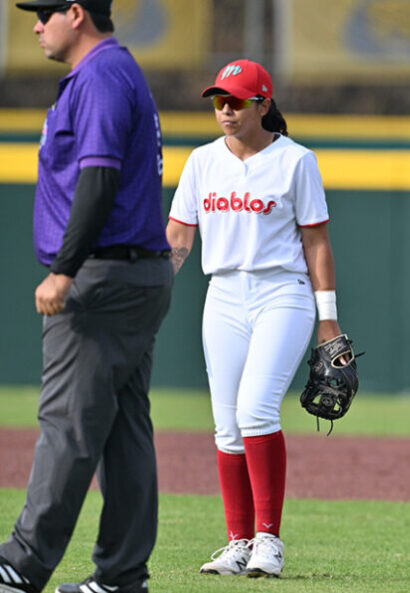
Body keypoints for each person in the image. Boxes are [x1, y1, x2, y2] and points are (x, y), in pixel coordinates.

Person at [0, 2, 174, 593]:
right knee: (124, 428)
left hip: (102, 276)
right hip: (133, 273)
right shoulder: (114, 71)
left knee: (69, 424)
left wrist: (65, 270)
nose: (34, 24)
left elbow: (97, 179)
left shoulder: (100, 74)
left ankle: (21, 565)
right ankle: (122, 575)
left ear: (77, 14)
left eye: (43, 12)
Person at [165, 59, 345, 579]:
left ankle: (269, 539)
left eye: (236, 100)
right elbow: (179, 237)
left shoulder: (296, 161)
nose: (225, 109)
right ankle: (238, 542)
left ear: (263, 104)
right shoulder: (201, 161)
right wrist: (152, 292)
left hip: (281, 294)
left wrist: (327, 317)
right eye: (219, 100)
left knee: (257, 410)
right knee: (227, 426)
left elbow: (316, 241)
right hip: (221, 294)